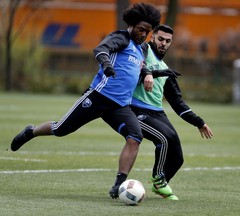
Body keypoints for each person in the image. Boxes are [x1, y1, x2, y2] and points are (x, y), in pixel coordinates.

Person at [10, 3, 161, 199]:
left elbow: (142, 67)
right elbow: (100, 49)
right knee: (60, 129)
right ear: (132, 24)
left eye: (148, 32)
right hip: (98, 97)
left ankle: (118, 184)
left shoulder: (142, 48)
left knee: (135, 137)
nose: (144, 35)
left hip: (120, 106)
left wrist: (149, 74)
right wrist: (106, 65)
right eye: (141, 29)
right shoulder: (121, 38)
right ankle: (31, 131)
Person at [131, 24, 213, 200]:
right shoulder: (143, 50)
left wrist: (199, 122)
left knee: (177, 157)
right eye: (160, 39)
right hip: (135, 109)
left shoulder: (166, 69)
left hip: (157, 112)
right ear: (152, 37)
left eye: (168, 41)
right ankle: (158, 177)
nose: (163, 43)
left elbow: (178, 103)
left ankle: (160, 184)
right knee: (163, 138)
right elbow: (134, 69)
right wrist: (151, 73)